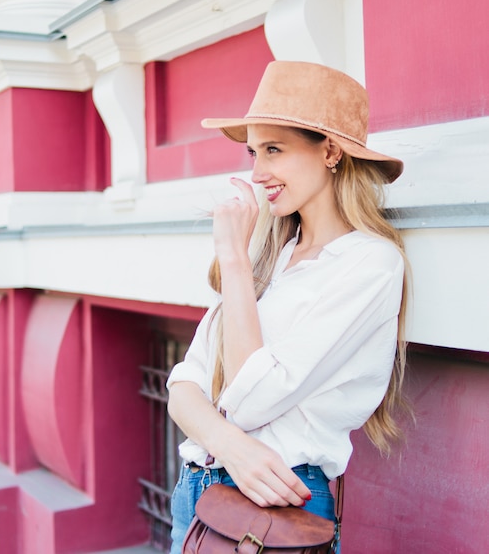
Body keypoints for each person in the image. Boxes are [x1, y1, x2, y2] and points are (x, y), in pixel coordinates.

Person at [166, 61, 410, 553]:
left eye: (274, 150)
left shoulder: (368, 264)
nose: (257, 172)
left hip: (275, 509)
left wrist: (233, 260)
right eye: (253, 152)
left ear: (332, 152)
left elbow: (253, 398)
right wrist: (230, 445)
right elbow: (182, 384)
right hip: (196, 494)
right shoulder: (269, 256)